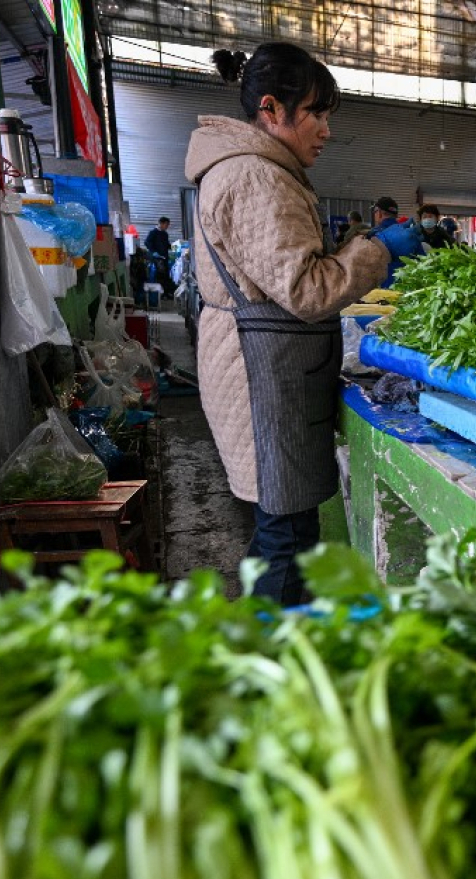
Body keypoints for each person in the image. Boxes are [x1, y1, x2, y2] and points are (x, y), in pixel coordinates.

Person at [187, 43, 418, 604]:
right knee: (287, 538)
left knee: (279, 533)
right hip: (259, 380)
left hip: (263, 370)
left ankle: (252, 642)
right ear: (272, 109)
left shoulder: (253, 169)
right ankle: (270, 664)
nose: (326, 130)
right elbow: (308, 291)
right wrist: (376, 250)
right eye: (316, 113)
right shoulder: (255, 177)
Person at [145, 216, 172, 287]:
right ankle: (160, 292)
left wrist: (172, 246)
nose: (167, 227)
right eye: (166, 225)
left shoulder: (165, 234)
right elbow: (147, 242)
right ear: (161, 223)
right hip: (157, 258)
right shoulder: (153, 232)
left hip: (165, 257)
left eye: (168, 225)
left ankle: (166, 292)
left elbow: (166, 244)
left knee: (166, 274)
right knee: (160, 274)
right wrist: (153, 252)